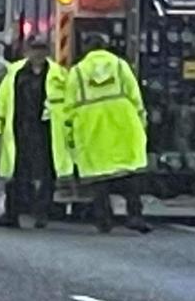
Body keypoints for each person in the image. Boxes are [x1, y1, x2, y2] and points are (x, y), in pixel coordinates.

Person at [64, 33, 151, 234]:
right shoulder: (120, 66)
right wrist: (141, 123)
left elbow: (68, 107)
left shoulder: (77, 72)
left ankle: (104, 219)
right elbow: (135, 96)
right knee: (129, 176)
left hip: (91, 127)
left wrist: (71, 138)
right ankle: (135, 216)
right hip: (123, 125)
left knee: (99, 179)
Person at [0, 36, 72, 229]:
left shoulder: (58, 74)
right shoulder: (15, 73)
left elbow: (68, 104)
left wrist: (70, 131)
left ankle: (42, 213)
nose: (38, 53)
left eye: (42, 49)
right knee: (16, 174)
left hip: (47, 132)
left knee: (46, 175)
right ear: (28, 50)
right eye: (35, 49)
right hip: (19, 131)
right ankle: (12, 214)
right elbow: (2, 102)